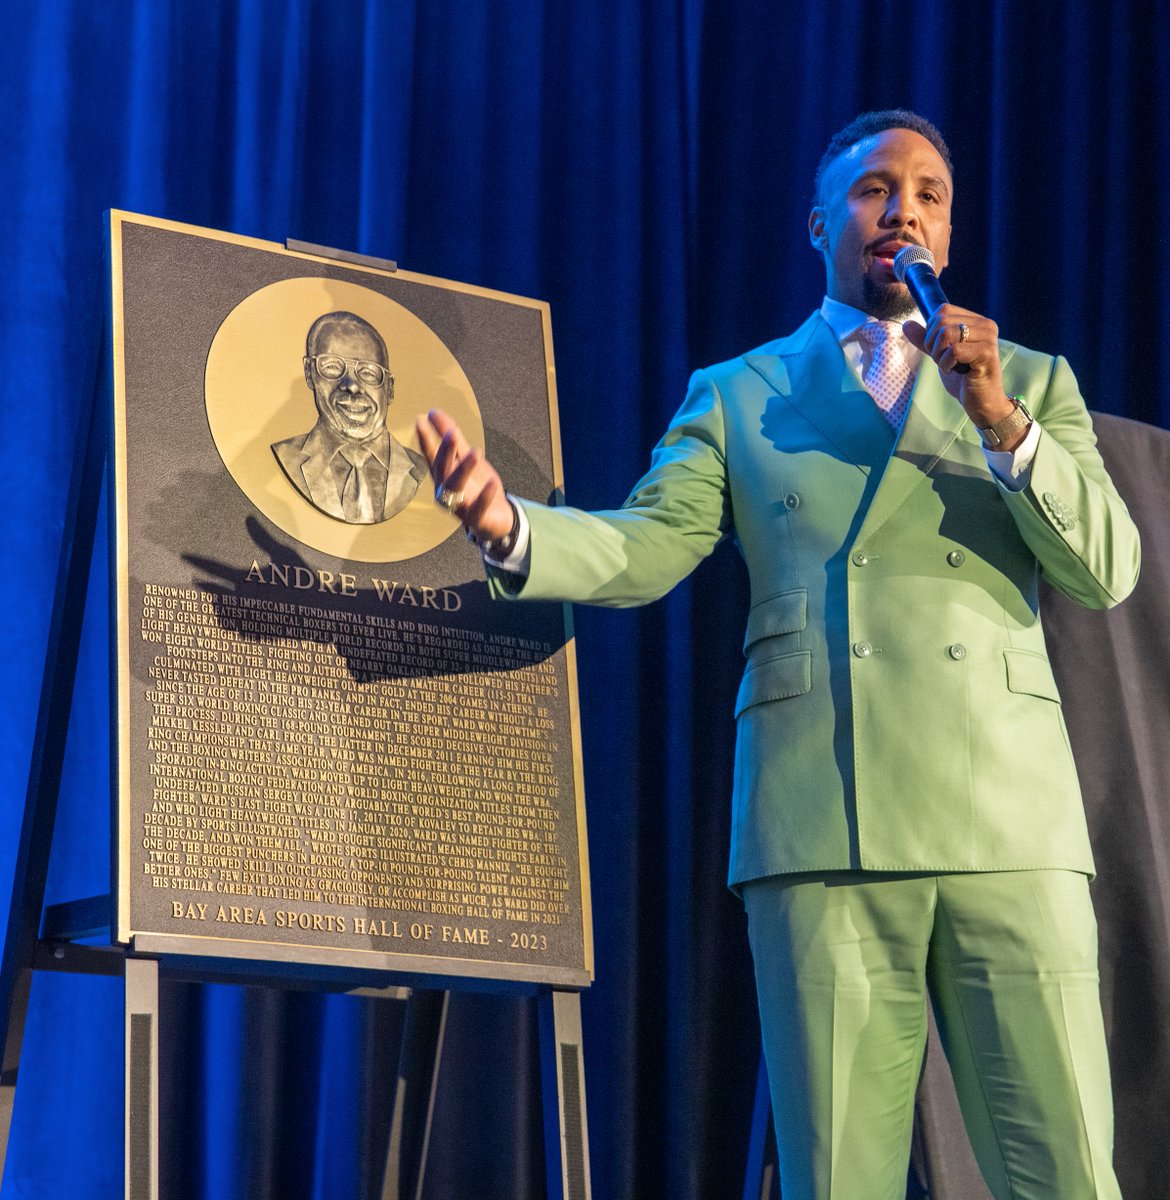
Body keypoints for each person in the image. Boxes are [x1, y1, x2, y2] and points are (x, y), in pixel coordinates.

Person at [417, 110, 1140, 1200]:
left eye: (931, 193)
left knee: (1066, 1176)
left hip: (1011, 823)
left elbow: (1107, 569)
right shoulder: (739, 392)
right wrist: (512, 528)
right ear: (819, 224)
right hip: (823, 822)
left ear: (950, 231)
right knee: (836, 1177)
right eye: (874, 189)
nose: (905, 208)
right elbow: (647, 546)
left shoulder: (1029, 384)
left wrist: (1000, 421)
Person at [273, 310, 428, 524]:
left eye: (368, 373)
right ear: (310, 373)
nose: (352, 386)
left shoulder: (420, 469)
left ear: (390, 388)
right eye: (332, 367)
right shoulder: (285, 455)